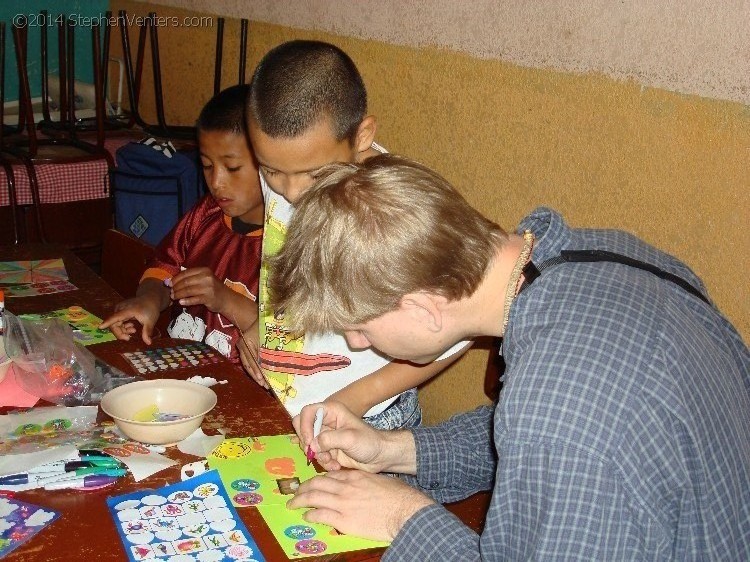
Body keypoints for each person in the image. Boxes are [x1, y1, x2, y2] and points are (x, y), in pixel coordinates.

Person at [271, 154, 750, 560]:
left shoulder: (557, 416)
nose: (357, 344)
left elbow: (559, 433)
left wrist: (403, 517)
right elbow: (541, 444)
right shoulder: (592, 255)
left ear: (422, 309)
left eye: (359, 328)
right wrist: (394, 449)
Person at [239, 40, 470, 429]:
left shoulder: (396, 210)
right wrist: (264, 323)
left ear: (361, 136)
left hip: (369, 419)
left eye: (313, 175)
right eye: (271, 171)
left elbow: (460, 330)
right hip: (287, 402)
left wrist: (354, 399)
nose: (291, 192)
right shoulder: (291, 162)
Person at [100, 85, 263, 364]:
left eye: (232, 168)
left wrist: (224, 299)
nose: (216, 182)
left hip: (243, 389)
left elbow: (288, 337)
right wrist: (149, 301)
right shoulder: (205, 214)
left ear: (270, 162)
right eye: (207, 165)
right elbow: (163, 271)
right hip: (181, 369)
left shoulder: (290, 241)